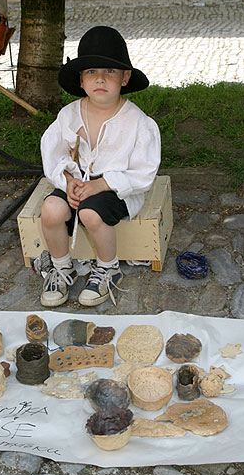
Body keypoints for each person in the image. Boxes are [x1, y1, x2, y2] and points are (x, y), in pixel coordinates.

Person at [40, 26, 161, 308]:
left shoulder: (137, 123)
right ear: (81, 80)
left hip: (117, 188)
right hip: (79, 183)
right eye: (92, 72)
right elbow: (53, 154)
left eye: (110, 71)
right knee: (51, 209)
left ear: (125, 78)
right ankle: (62, 267)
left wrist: (101, 184)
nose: (101, 79)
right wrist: (68, 180)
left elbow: (142, 174)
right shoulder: (68, 115)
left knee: (91, 213)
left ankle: (108, 268)